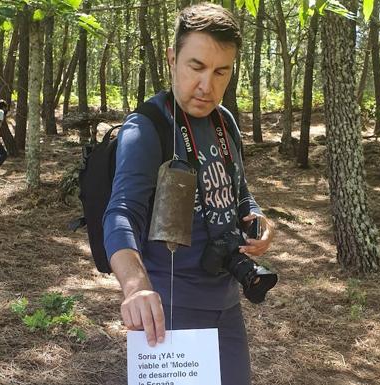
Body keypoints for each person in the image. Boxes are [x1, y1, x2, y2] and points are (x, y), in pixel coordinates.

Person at [103, 4, 274, 385]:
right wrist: (135, 286)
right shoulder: (147, 129)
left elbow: (239, 192)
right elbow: (121, 214)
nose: (207, 86)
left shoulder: (224, 121)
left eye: (220, 72)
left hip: (227, 307)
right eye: (196, 67)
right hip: (169, 313)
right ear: (172, 59)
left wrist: (257, 217)